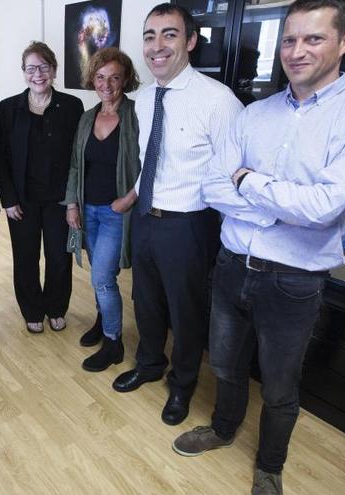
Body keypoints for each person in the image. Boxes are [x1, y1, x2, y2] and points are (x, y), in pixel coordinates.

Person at [172, 2, 345, 493]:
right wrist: (281, 204)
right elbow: (212, 187)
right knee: (227, 365)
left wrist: (248, 179)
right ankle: (224, 429)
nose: (296, 51)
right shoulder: (254, 114)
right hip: (232, 266)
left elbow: (324, 207)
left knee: (278, 387)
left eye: (313, 39)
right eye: (290, 39)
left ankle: (270, 465)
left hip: (293, 280)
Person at [111, 4, 244, 429]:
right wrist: (132, 198)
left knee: (186, 311)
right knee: (144, 300)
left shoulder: (218, 100)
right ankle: (149, 363)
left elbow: (234, 172)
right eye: (150, 36)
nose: (157, 46)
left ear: (190, 42)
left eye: (170, 35)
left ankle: (182, 382)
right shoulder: (144, 99)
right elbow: (147, 159)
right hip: (146, 218)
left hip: (189, 224)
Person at [0, 41, 83, 334]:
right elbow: (1, 160)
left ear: (54, 70)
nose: (38, 74)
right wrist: (7, 199)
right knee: (26, 257)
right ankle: (32, 309)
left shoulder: (72, 106)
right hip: (22, 200)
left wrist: (73, 201)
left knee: (60, 258)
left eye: (44, 67)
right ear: (23, 72)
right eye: (31, 68)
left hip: (59, 201)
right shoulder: (8, 108)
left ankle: (57, 308)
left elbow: (76, 157)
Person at [63, 47, 141, 372]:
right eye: (100, 77)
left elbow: (151, 164)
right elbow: (75, 166)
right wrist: (71, 202)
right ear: (92, 80)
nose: (106, 84)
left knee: (103, 279)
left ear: (125, 80)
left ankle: (113, 342)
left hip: (115, 212)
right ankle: (101, 319)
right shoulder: (87, 117)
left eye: (114, 77)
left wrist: (130, 199)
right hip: (88, 210)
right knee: (99, 277)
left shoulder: (136, 115)